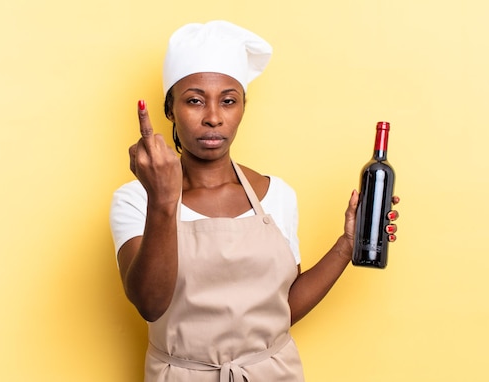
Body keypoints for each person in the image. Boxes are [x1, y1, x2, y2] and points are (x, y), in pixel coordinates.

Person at [110, 20, 399, 382]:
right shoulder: (136, 199)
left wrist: (347, 245)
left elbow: (281, 309)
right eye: (195, 100)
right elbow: (150, 304)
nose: (213, 117)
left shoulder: (277, 194)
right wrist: (164, 200)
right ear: (170, 109)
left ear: (243, 107)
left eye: (228, 101)